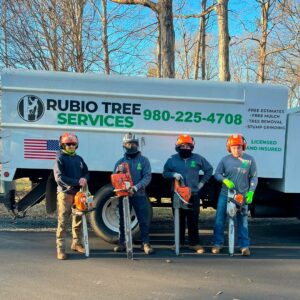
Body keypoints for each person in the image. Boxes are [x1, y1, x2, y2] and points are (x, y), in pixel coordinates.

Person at [163, 134, 213, 254]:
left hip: (193, 194)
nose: (185, 148)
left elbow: (209, 169)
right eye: (183, 146)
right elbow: (165, 173)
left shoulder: (198, 158)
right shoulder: (172, 159)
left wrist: (201, 183)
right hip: (177, 195)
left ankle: (194, 243)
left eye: (188, 146)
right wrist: (173, 174)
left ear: (192, 147)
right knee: (178, 219)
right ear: (178, 147)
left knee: (193, 219)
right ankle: (178, 242)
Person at [211, 134, 258, 256]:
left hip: (241, 196)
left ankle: (244, 246)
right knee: (220, 219)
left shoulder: (249, 160)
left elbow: (254, 177)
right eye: (233, 148)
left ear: (243, 147)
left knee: (242, 221)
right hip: (225, 195)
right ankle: (217, 243)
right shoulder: (225, 160)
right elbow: (217, 174)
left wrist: (251, 192)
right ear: (229, 148)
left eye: (239, 147)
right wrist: (224, 180)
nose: (236, 150)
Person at [113, 133, 154, 255]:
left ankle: (145, 243)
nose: (131, 145)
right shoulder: (120, 163)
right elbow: (115, 178)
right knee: (123, 220)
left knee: (143, 219)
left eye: (134, 143)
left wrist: (135, 188)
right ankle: (122, 242)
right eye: (128, 143)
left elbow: (147, 177)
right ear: (124, 145)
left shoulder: (144, 160)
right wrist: (119, 177)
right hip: (124, 196)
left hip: (139, 194)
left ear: (137, 144)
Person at [54, 132, 89, 260]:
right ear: (63, 145)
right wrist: (76, 182)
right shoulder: (60, 159)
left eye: (73, 144)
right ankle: (60, 249)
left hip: (78, 195)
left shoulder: (79, 159)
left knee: (78, 220)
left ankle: (76, 243)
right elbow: (59, 178)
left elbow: (86, 172)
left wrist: (84, 179)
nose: (71, 146)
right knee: (63, 221)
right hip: (65, 194)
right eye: (68, 144)